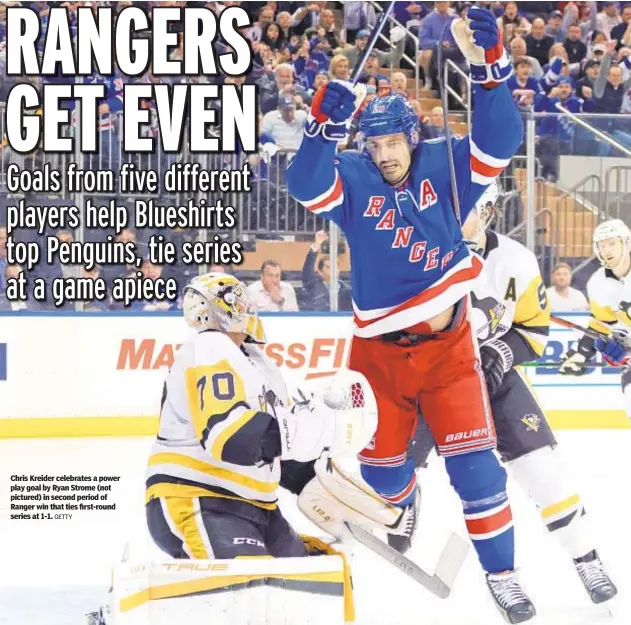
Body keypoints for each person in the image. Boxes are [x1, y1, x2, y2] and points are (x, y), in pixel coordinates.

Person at [287, 8, 532, 622]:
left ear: (412, 138)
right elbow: (301, 184)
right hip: (378, 354)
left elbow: (501, 139)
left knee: (478, 473)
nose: (385, 154)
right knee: (384, 474)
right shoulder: (353, 175)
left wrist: (492, 69)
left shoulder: (445, 167)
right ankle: (406, 498)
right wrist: (323, 126)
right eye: (374, 144)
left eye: (393, 142)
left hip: (448, 350)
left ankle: (503, 576)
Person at [411, 184, 618, 606]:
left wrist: (498, 351)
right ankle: (494, 571)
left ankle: (586, 558)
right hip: (433, 383)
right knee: (406, 466)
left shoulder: (517, 262)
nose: (452, 218)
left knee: (546, 474)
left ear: (487, 211)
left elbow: (533, 330)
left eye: (464, 209)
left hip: (495, 380)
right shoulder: (421, 254)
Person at [145, 272, 376, 566]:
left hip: (259, 509)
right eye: (238, 301)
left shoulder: (256, 362)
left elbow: (277, 451)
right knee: (254, 583)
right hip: (199, 498)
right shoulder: (209, 346)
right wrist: (325, 428)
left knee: (317, 569)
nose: (247, 308)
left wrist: (338, 495)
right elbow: (230, 436)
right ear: (223, 308)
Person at [559, 220, 631, 418]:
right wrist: (582, 354)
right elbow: (602, 325)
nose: (606, 249)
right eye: (602, 244)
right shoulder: (599, 284)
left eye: (612, 243)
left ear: (627, 243)